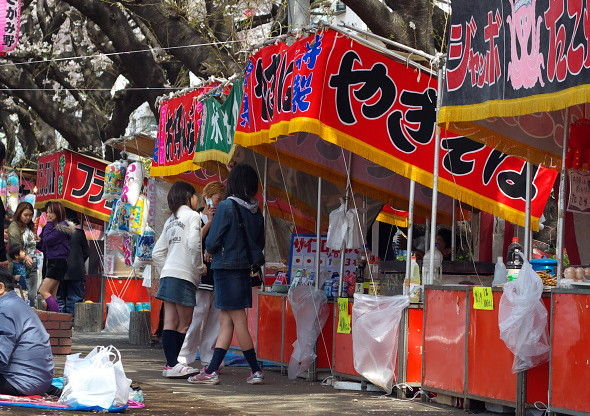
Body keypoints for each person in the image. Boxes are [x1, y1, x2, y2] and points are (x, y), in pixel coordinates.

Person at [189, 163, 265, 385]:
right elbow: (259, 241)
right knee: (226, 320)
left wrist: (209, 251)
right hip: (243, 269)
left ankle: (255, 369)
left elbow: (213, 239)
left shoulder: (227, 206)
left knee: (237, 319)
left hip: (225, 268)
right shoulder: (255, 209)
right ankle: (211, 370)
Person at [152, 181, 206, 378]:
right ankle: (173, 364)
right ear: (187, 197)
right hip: (184, 275)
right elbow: (193, 244)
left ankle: (170, 365)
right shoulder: (193, 216)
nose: (196, 200)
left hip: (168, 274)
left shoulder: (170, 220)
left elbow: (157, 253)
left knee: (169, 322)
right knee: (185, 322)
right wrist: (199, 267)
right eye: (194, 196)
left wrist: (167, 267)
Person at [178, 181, 225, 369]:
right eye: (217, 199)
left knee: (215, 315)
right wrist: (211, 222)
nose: (219, 203)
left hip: (217, 272)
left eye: (222, 200)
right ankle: (186, 353)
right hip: (200, 272)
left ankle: (208, 353)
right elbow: (195, 240)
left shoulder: (224, 217)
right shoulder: (196, 217)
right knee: (198, 312)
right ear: (207, 197)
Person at [0, 268, 61, 397]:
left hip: (20, 383)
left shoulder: (4, 310)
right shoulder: (16, 304)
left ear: (1, 287)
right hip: (39, 381)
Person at [37, 202, 74, 313]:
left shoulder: (61, 227)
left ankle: (57, 318)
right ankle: (55, 322)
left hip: (57, 263)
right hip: (55, 262)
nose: (48, 214)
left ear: (58, 212)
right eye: (47, 212)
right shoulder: (55, 227)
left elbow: (48, 240)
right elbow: (44, 244)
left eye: (51, 212)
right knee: (52, 294)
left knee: (43, 291)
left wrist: (48, 224)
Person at [57, 209, 89, 315]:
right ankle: (73, 323)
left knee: (60, 299)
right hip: (76, 271)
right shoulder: (79, 233)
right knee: (75, 299)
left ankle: (60, 323)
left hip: (59, 270)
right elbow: (86, 252)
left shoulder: (56, 233)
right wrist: (79, 261)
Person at [8, 202, 38, 305]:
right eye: (25, 215)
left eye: (30, 215)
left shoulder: (28, 226)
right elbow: (16, 245)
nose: (28, 217)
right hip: (19, 265)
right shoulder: (14, 226)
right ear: (19, 213)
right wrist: (25, 257)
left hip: (31, 264)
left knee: (31, 296)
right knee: (21, 295)